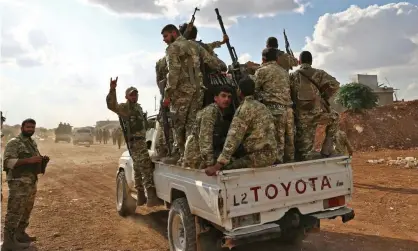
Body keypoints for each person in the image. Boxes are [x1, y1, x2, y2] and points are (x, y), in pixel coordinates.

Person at [160, 24, 221, 164]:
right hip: (198, 92)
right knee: (192, 126)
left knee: (178, 125)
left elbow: (173, 73)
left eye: (165, 36)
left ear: (174, 33)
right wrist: (221, 69)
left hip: (182, 93)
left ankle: (179, 155)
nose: (164, 40)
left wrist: (167, 95)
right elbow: (211, 61)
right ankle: (190, 157)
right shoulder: (195, 46)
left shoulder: (172, 48)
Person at [205, 77, 278, 176]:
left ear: (239, 91)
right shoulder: (262, 107)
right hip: (272, 154)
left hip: (258, 157)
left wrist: (218, 165)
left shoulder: (244, 109)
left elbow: (233, 138)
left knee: (227, 169)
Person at [106, 78, 159, 207]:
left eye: (135, 94)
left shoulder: (138, 108)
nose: (134, 96)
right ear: (126, 96)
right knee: (146, 165)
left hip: (141, 141)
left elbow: (145, 125)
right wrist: (112, 89)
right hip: (135, 142)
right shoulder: (125, 108)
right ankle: (150, 196)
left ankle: (140, 195)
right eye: (131, 95)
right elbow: (112, 105)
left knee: (137, 167)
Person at [2, 118, 48, 250]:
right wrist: (29, 160)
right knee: (15, 211)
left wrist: (42, 160)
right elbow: (7, 162)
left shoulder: (31, 143)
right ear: (22, 128)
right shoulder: (14, 143)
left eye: (32, 128)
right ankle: (9, 242)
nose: (30, 130)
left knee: (26, 210)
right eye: (28, 127)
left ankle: (20, 234)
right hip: (18, 183)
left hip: (30, 182)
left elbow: (34, 160)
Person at [289, 51, 340, 161]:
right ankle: (327, 147)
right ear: (311, 62)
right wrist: (324, 96)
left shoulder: (293, 75)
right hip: (318, 113)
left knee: (304, 149)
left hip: (301, 116)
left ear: (299, 61)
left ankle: (304, 156)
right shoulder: (319, 73)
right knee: (334, 117)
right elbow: (335, 84)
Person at [254, 47, 294, 163]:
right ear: (277, 58)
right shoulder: (284, 72)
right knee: (289, 141)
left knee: (277, 143)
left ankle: (278, 169)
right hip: (289, 110)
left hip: (275, 110)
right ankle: (291, 165)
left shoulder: (261, 71)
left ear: (263, 59)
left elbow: (254, 90)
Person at [183, 85, 233, 169]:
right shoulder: (211, 112)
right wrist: (210, 164)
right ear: (216, 98)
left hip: (202, 155)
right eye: (223, 96)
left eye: (229, 97)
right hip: (197, 157)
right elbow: (205, 138)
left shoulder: (218, 112)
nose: (226, 99)